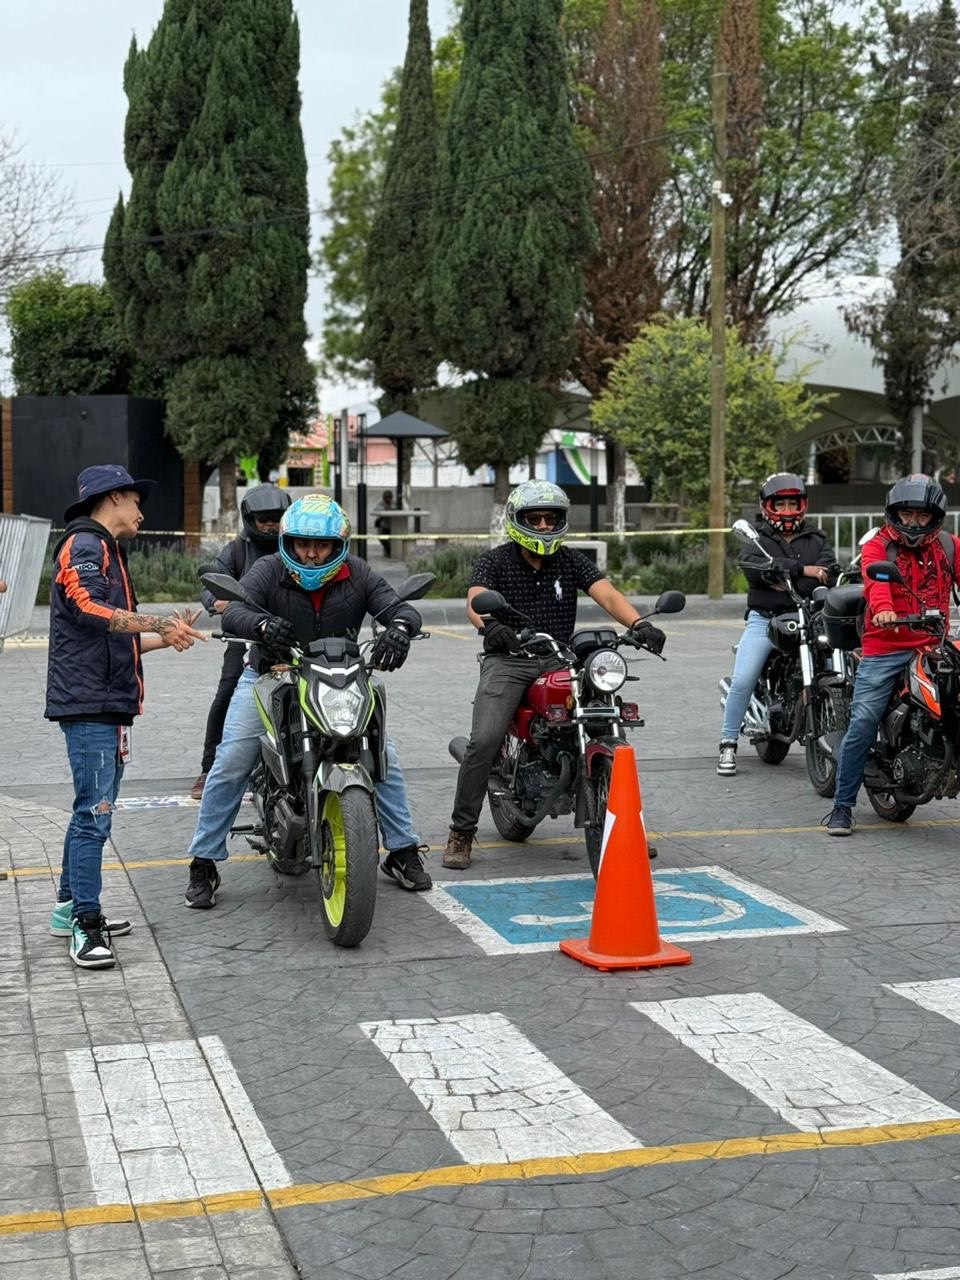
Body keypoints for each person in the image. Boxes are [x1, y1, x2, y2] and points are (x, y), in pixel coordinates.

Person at [183, 493, 432, 907]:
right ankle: (204, 860)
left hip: (341, 677)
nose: (312, 555)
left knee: (382, 753)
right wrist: (261, 624)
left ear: (339, 545)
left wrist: (400, 630)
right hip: (270, 674)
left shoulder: (358, 573)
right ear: (288, 542)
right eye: (302, 544)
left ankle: (403, 851)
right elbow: (233, 612)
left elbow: (396, 607)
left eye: (321, 546)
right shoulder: (267, 569)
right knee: (230, 762)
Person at [443, 480, 667, 871]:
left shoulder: (571, 560)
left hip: (559, 659)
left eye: (552, 519)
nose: (545, 526)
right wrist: (489, 625)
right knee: (485, 739)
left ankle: (627, 825)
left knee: (606, 720)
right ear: (519, 520)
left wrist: (640, 623)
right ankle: (461, 831)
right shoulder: (494, 561)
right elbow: (475, 600)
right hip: (508, 659)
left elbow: (608, 595)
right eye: (536, 518)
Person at [45, 464, 206, 969]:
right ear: (113, 498)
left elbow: (116, 639)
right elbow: (88, 608)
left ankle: (69, 907)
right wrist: (159, 621)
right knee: (96, 815)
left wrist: (168, 636)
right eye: (137, 500)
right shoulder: (84, 545)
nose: (141, 512)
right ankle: (86, 926)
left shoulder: (108, 550)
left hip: (108, 703)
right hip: (89, 705)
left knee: (91, 810)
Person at [823, 473, 960, 835]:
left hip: (934, 643)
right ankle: (842, 806)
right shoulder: (879, 546)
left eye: (922, 516)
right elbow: (876, 581)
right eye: (907, 514)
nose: (914, 522)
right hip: (886, 646)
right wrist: (883, 609)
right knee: (864, 720)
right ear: (894, 514)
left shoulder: (948, 547)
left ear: (935, 517)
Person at [717, 473, 839, 777]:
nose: (786, 510)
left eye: (791, 503)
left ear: (802, 505)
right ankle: (728, 743)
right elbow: (756, 571)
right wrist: (804, 571)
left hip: (809, 618)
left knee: (842, 664)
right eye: (780, 503)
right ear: (767, 506)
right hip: (766, 620)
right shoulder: (758, 539)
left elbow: (830, 573)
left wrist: (788, 576)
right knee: (744, 679)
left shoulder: (817, 539)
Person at [190, 483, 292, 800]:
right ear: (250, 519)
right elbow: (212, 583)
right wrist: (218, 602)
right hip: (246, 635)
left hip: (291, 635)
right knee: (228, 691)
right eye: (264, 519)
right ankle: (209, 768)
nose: (270, 525)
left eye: (276, 518)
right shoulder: (237, 551)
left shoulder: (297, 546)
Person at [372, 490, 395, 556]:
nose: (388, 500)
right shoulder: (381, 503)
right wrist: (384, 508)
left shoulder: (395, 502)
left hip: (393, 526)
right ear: (383, 498)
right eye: (386, 498)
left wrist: (391, 508)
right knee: (381, 536)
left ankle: (391, 551)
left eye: (389, 498)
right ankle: (390, 551)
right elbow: (375, 510)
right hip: (384, 526)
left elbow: (401, 509)